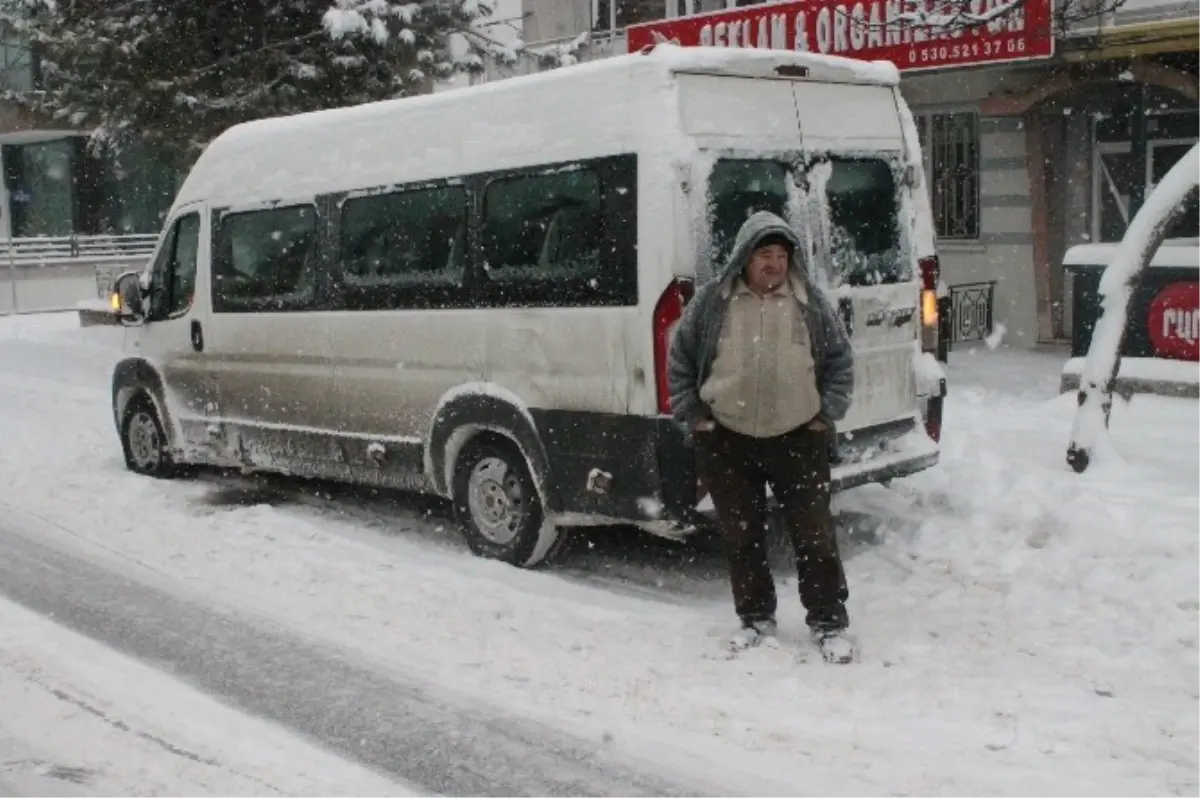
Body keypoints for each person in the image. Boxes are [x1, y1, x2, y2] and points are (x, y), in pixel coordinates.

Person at [667, 211, 856, 664]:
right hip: (728, 438)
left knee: (814, 535)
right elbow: (681, 358)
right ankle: (755, 619)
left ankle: (828, 622)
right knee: (742, 536)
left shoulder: (810, 301)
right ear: (744, 258)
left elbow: (839, 363)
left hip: (798, 437)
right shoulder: (714, 301)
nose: (774, 264)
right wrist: (694, 415)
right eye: (765, 254)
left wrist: (826, 414)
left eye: (781, 255)